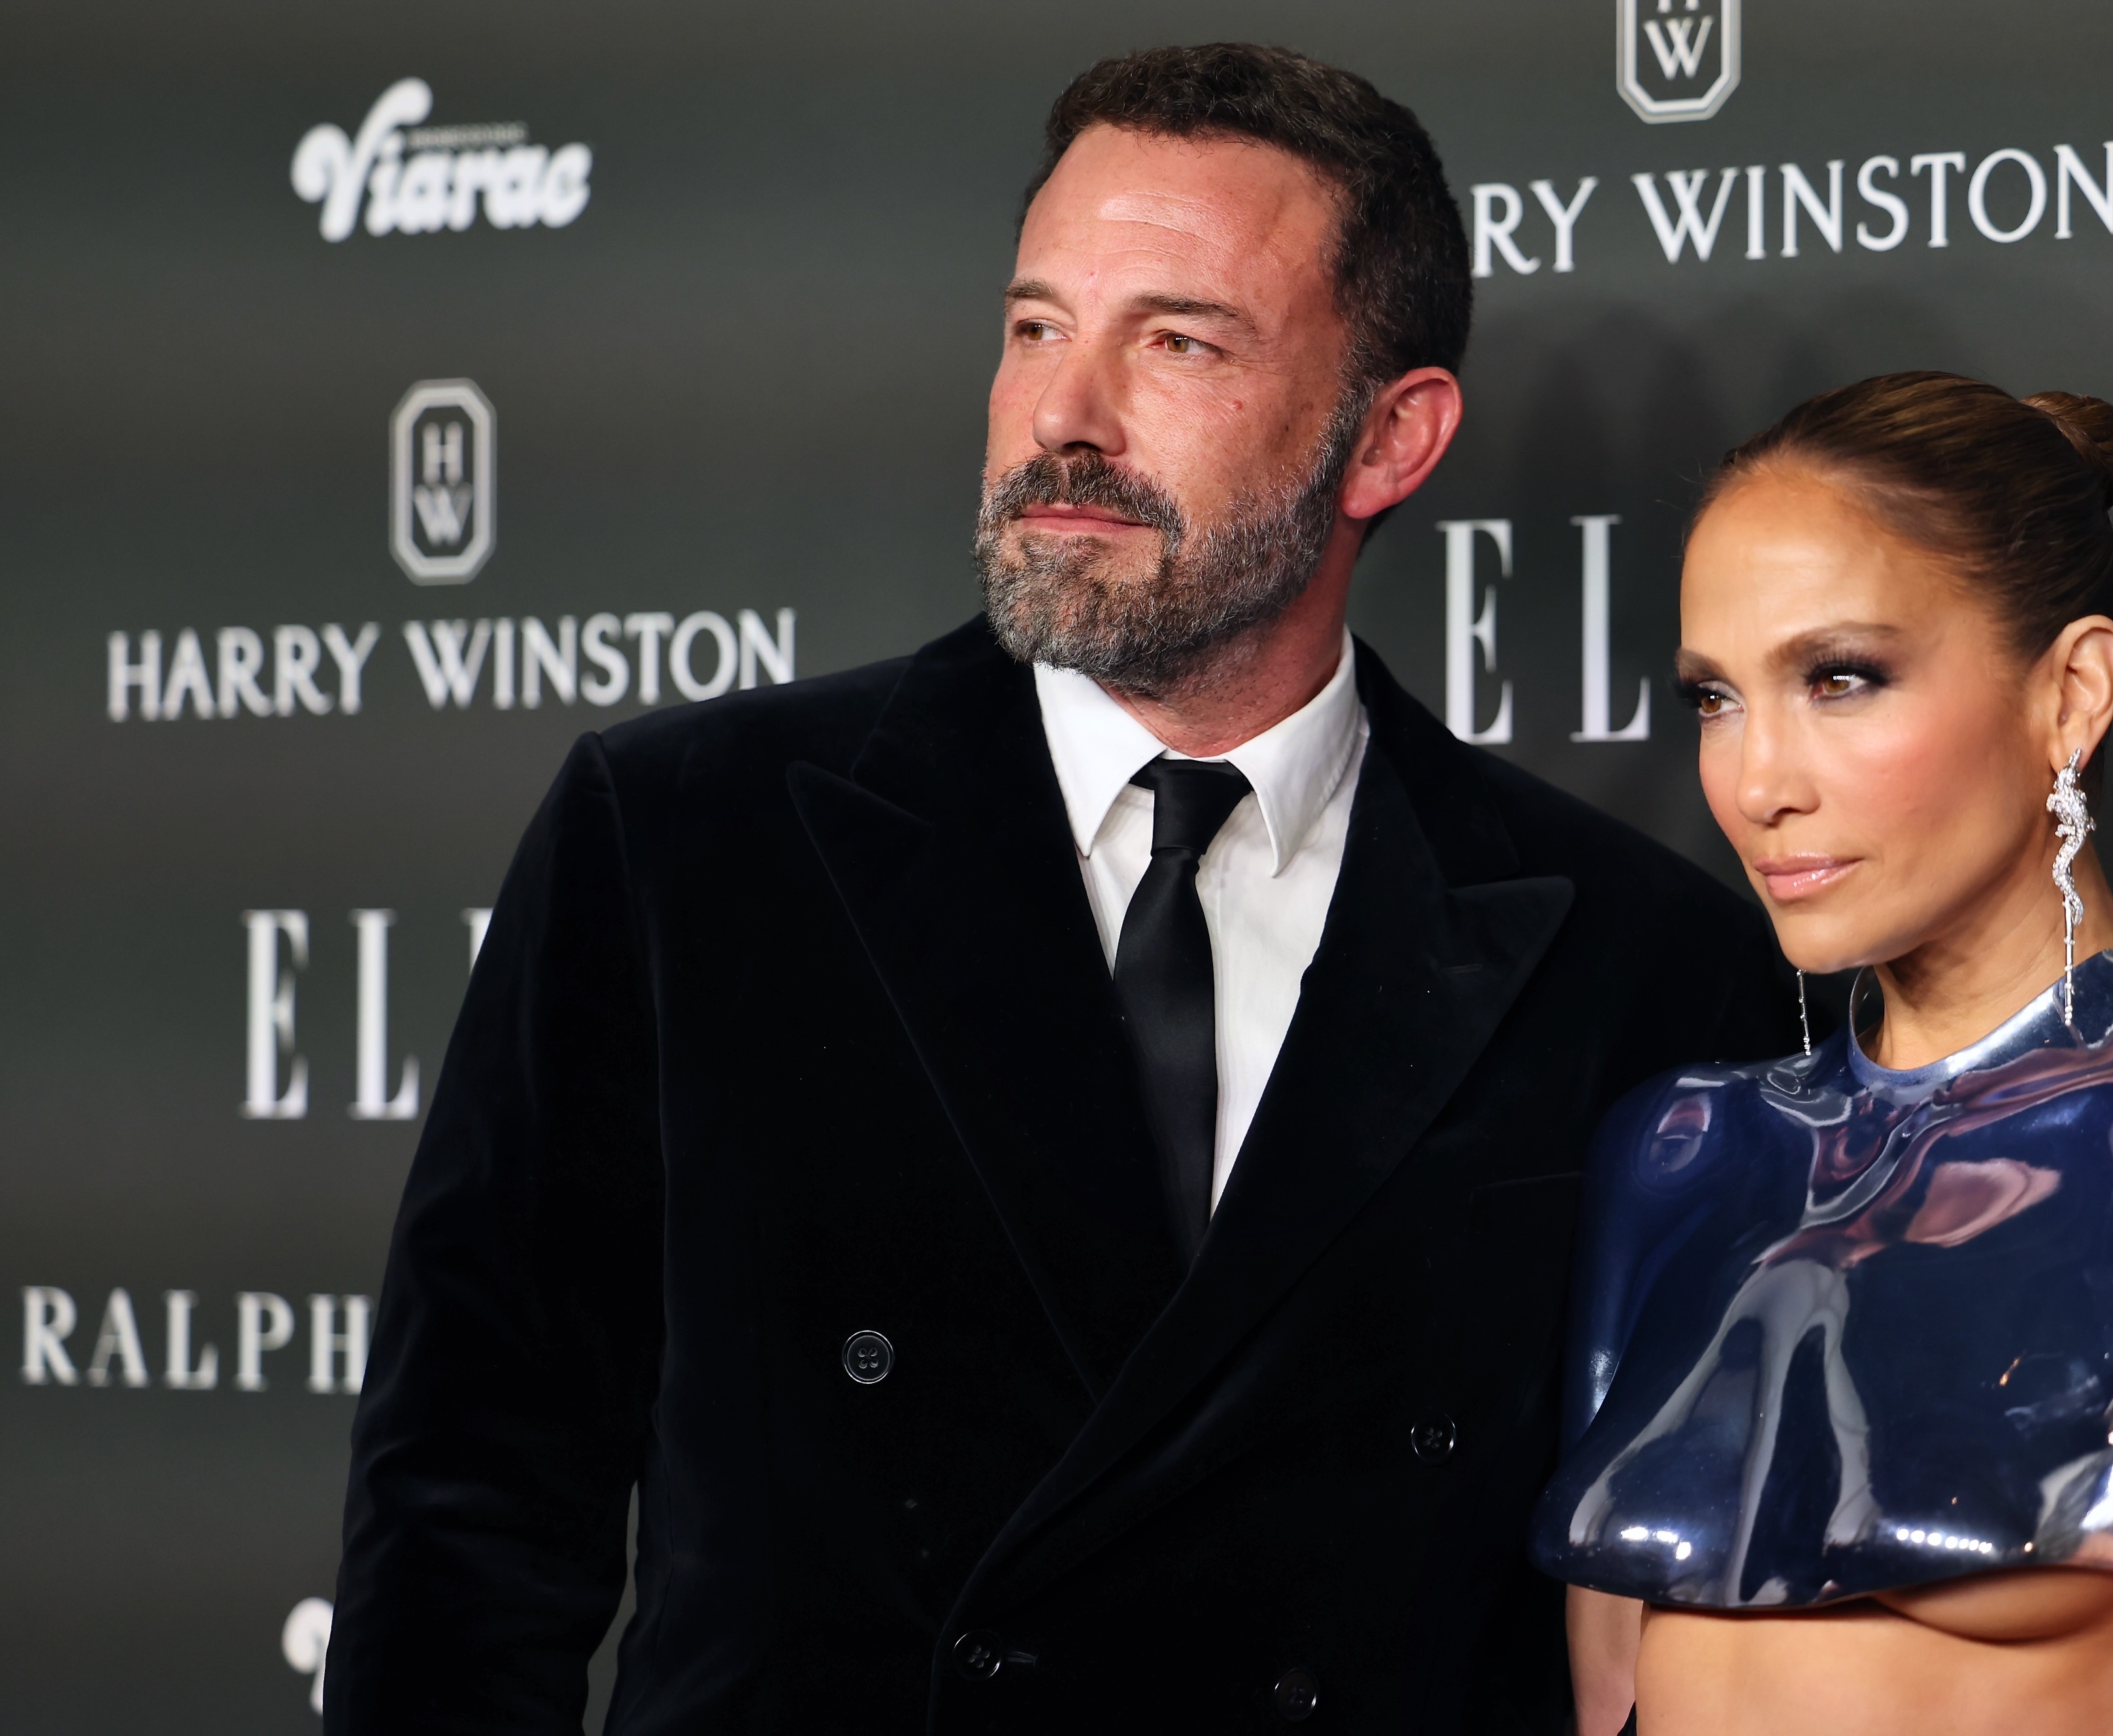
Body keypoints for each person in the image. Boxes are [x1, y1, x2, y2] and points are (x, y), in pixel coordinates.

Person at [324, 43, 1794, 1735]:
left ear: (1390, 440)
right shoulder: (685, 845)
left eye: (1176, 340)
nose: (1063, 419)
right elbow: (469, 1521)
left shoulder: (1634, 960)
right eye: (1036, 326)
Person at [1531, 373, 2113, 1736]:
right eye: (1714, 698)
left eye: (1839, 678)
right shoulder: (1678, 1151)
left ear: (2073, 691)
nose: (1755, 780)